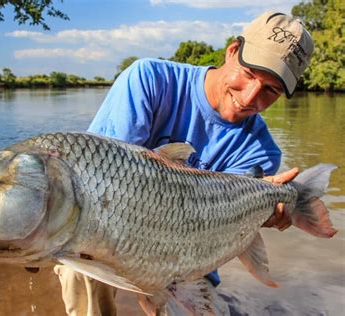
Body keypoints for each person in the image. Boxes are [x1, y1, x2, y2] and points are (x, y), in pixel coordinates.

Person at [54, 11, 314, 315]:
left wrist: (258, 209)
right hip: (113, 235)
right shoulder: (149, 80)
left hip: (188, 254)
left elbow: (218, 232)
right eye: (249, 74)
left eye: (271, 90)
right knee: (77, 265)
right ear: (232, 51)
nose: (250, 97)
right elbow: (94, 183)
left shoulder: (262, 151)